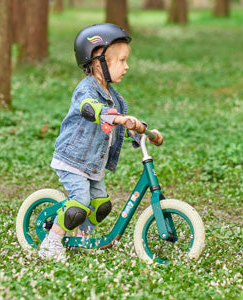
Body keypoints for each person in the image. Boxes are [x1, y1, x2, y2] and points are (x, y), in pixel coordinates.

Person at [38, 23, 163, 261]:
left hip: (94, 165)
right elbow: (89, 108)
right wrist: (111, 115)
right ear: (98, 61)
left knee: (102, 205)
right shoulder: (85, 90)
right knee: (80, 204)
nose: (127, 67)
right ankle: (51, 243)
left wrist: (147, 132)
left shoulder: (117, 99)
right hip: (73, 160)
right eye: (121, 60)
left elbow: (127, 124)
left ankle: (82, 238)